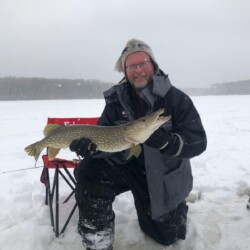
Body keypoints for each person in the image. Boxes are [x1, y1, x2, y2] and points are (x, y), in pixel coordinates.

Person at [70, 38, 207, 250]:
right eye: (131, 66)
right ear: (124, 70)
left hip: (161, 177)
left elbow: (198, 141)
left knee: (165, 236)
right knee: (88, 172)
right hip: (125, 166)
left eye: (143, 63)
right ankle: (98, 241)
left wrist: (167, 142)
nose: (138, 70)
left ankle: (174, 210)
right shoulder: (116, 100)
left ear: (153, 64)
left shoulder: (176, 99)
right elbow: (102, 135)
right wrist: (90, 148)